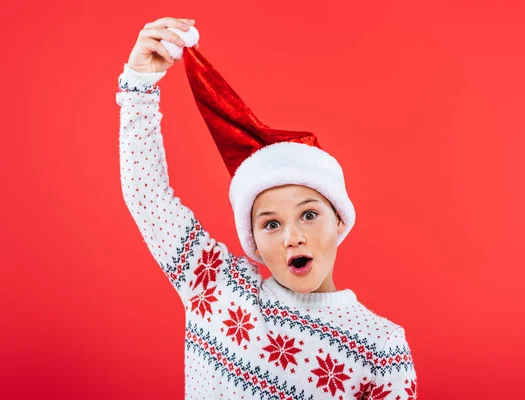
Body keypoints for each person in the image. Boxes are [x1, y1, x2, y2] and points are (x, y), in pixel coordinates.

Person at [117, 16, 417, 400]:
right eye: (271, 224)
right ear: (254, 242)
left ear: (339, 220)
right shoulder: (216, 288)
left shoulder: (382, 349)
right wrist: (139, 87)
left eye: (309, 214)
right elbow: (148, 197)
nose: (293, 237)